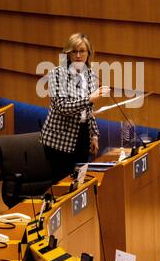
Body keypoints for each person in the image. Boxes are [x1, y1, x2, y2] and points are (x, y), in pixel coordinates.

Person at [40, 33, 110, 182]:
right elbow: (63, 107)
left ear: (88, 53)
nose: (78, 55)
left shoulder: (90, 75)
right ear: (68, 54)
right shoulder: (57, 74)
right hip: (59, 140)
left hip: (82, 136)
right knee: (63, 184)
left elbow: (88, 111)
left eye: (82, 51)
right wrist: (90, 98)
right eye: (74, 51)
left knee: (80, 182)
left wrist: (94, 135)